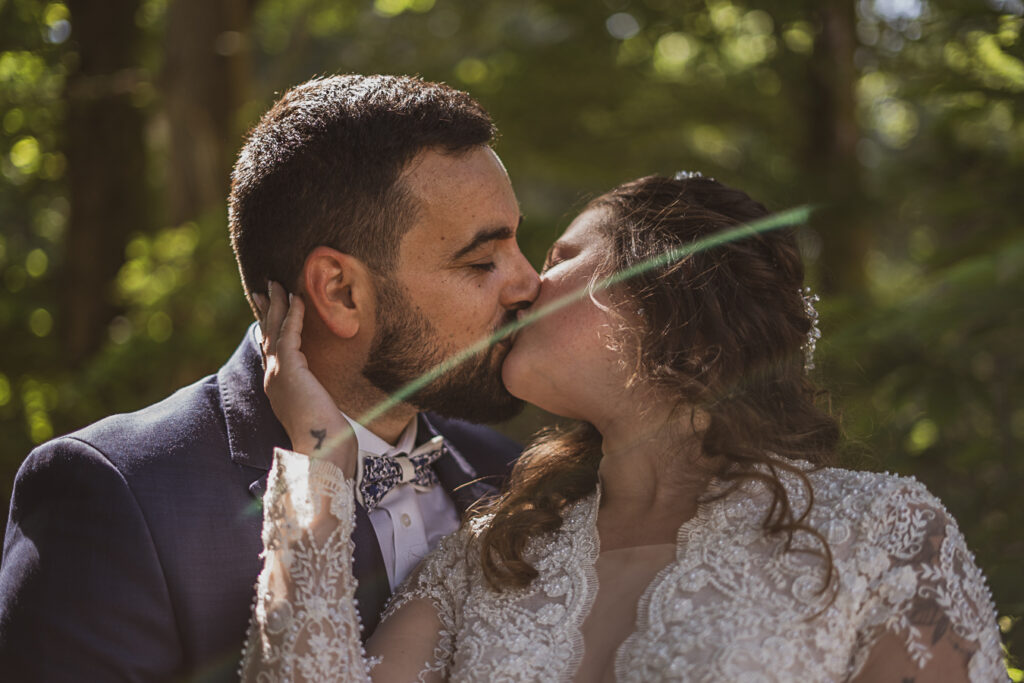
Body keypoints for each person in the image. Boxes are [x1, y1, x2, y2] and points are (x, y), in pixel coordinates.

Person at [242, 173, 1007, 682]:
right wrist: (317, 462)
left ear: (665, 300)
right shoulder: (485, 559)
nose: (524, 284)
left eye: (563, 255)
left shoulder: (884, 537)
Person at [0, 74, 540, 681]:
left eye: (518, 244)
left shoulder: (513, 475)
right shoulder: (117, 492)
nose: (528, 284)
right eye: (481, 260)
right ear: (340, 292)